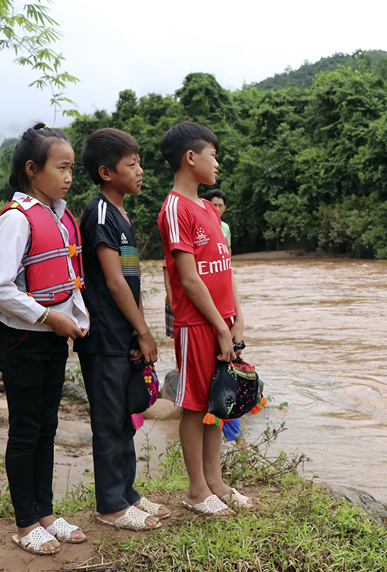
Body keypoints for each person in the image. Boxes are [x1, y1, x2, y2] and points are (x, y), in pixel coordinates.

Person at [0, 123, 89, 555]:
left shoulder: (60, 216)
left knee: (47, 427)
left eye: (71, 168)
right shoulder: (16, 219)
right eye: (60, 167)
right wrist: (49, 317)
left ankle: (45, 513)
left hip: (51, 339)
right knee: (26, 430)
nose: (68, 176)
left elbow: (66, 278)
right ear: (32, 169)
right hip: (23, 341)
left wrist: (74, 320)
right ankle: (26, 523)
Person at [73, 128, 167, 531]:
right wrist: (143, 332)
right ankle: (111, 505)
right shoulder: (98, 215)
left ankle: (127, 493)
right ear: (106, 172)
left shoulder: (122, 214)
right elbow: (113, 283)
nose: (140, 170)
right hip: (104, 337)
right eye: (132, 165)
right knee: (109, 421)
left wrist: (137, 332)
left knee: (124, 416)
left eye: (139, 162)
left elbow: (132, 281)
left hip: (122, 334)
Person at [157, 121, 253, 516]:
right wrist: (218, 326)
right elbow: (189, 278)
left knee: (217, 401)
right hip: (197, 324)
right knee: (196, 405)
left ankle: (216, 482)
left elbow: (224, 269)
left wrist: (237, 319)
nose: (218, 164)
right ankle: (197, 490)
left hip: (223, 323)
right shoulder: (176, 207)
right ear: (190, 157)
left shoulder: (207, 209)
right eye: (213, 155)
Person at [204, 189, 244, 446]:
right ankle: (232, 438)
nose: (217, 209)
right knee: (218, 377)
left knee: (225, 374)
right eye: (213, 204)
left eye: (220, 205)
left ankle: (234, 437)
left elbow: (226, 267)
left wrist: (238, 318)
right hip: (208, 309)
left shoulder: (224, 229)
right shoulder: (194, 222)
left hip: (224, 307)